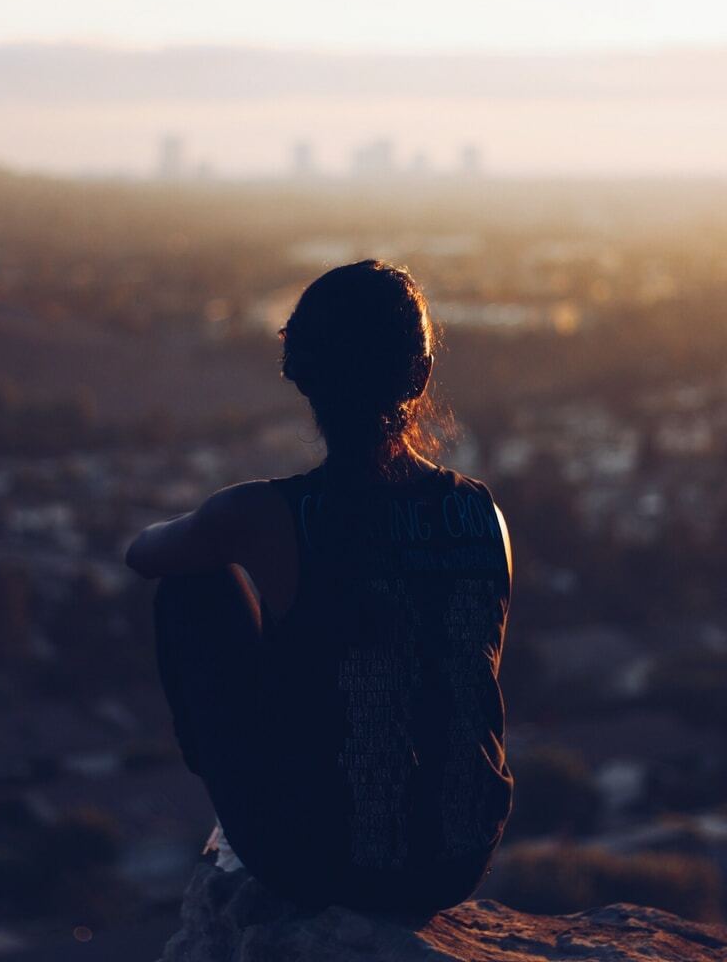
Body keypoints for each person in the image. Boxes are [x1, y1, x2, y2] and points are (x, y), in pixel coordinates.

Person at [125, 259, 514, 920]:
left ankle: (240, 821)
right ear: (418, 376)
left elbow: (144, 555)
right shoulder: (482, 514)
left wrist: (220, 525)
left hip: (317, 860)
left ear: (300, 375)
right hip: (457, 859)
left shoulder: (264, 516)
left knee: (192, 588)